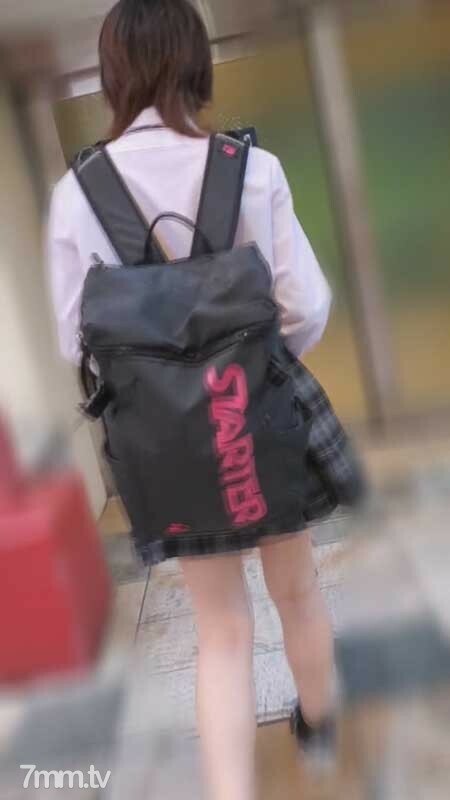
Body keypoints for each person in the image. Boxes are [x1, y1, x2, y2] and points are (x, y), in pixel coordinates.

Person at [48, 2, 337, 798]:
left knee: (222, 629)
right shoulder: (253, 168)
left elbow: (76, 341)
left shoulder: (75, 195)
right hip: (258, 425)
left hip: (168, 445)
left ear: (113, 74)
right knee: (297, 592)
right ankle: (318, 730)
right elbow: (306, 306)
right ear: (195, 61)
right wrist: (246, 367)